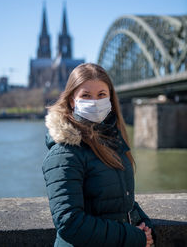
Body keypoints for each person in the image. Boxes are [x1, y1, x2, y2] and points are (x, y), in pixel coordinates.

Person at [42, 63, 155, 247]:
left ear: (110, 98)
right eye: (86, 95)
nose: (94, 102)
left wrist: (145, 226)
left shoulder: (112, 141)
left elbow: (122, 199)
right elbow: (70, 223)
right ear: (72, 100)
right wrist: (131, 238)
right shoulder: (64, 152)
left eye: (101, 95)